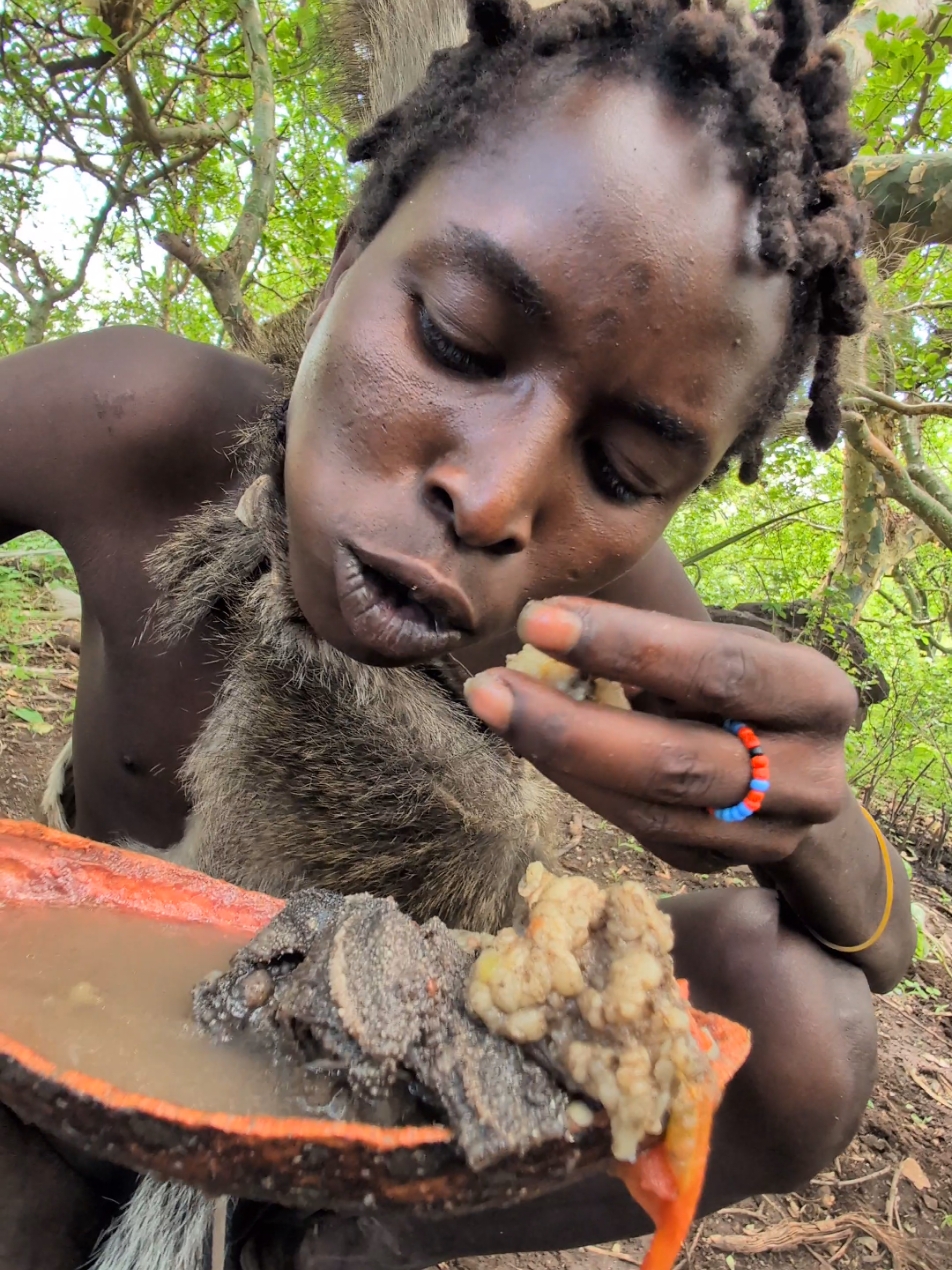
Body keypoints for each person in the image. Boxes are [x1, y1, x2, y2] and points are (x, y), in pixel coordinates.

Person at [0, 0, 916, 1265]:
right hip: (46, 1024)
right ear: (354, 248)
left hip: (362, 1069)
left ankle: (351, 1229)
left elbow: (886, 945)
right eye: (456, 340)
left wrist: (801, 817)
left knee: (801, 1026)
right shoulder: (125, 424)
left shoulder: (614, 621)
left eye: (621, 466)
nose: (491, 499)